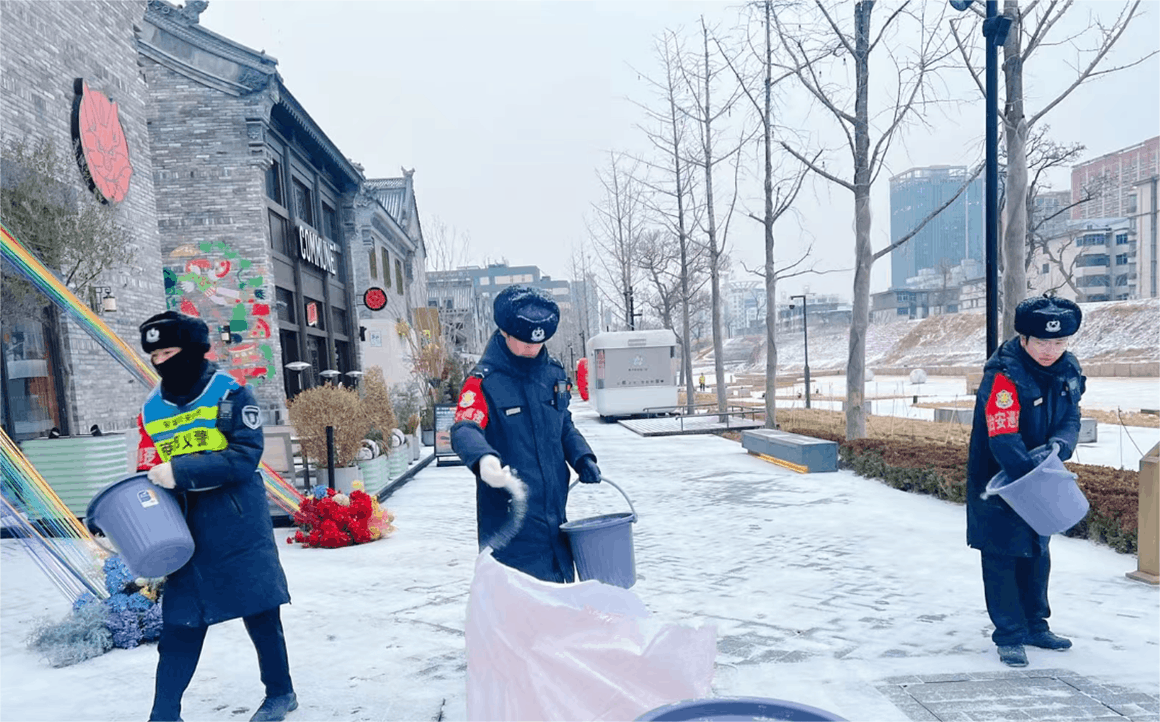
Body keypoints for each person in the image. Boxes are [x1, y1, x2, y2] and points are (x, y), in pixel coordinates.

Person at [135, 311, 297, 722]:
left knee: (260, 611)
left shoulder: (229, 394)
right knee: (180, 623)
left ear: (192, 350)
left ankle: (280, 693)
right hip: (183, 529)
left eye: (168, 352)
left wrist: (181, 471)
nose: (161, 362)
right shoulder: (151, 409)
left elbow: (244, 455)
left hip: (237, 522)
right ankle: (164, 714)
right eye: (154, 356)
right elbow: (147, 468)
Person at [451, 286, 601, 583]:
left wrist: (582, 457)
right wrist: (484, 460)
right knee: (518, 600)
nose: (532, 348)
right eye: (524, 341)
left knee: (558, 594)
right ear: (505, 332)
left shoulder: (553, 374)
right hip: (510, 518)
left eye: (539, 342)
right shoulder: (484, 381)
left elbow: (563, 424)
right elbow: (464, 428)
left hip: (554, 514)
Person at [966, 295, 1086, 668]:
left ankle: (1036, 625)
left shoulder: (1067, 370)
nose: (1050, 350)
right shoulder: (1003, 377)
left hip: (1042, 476)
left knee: (1037, 552)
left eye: (1059, 342)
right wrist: (1034, 478)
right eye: (1042, 343)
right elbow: (1003, 438)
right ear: (1024, 339)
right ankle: (1009, 635)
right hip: (1001, 481)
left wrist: (1060, 446)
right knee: (1002, 556)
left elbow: (1071, 417)